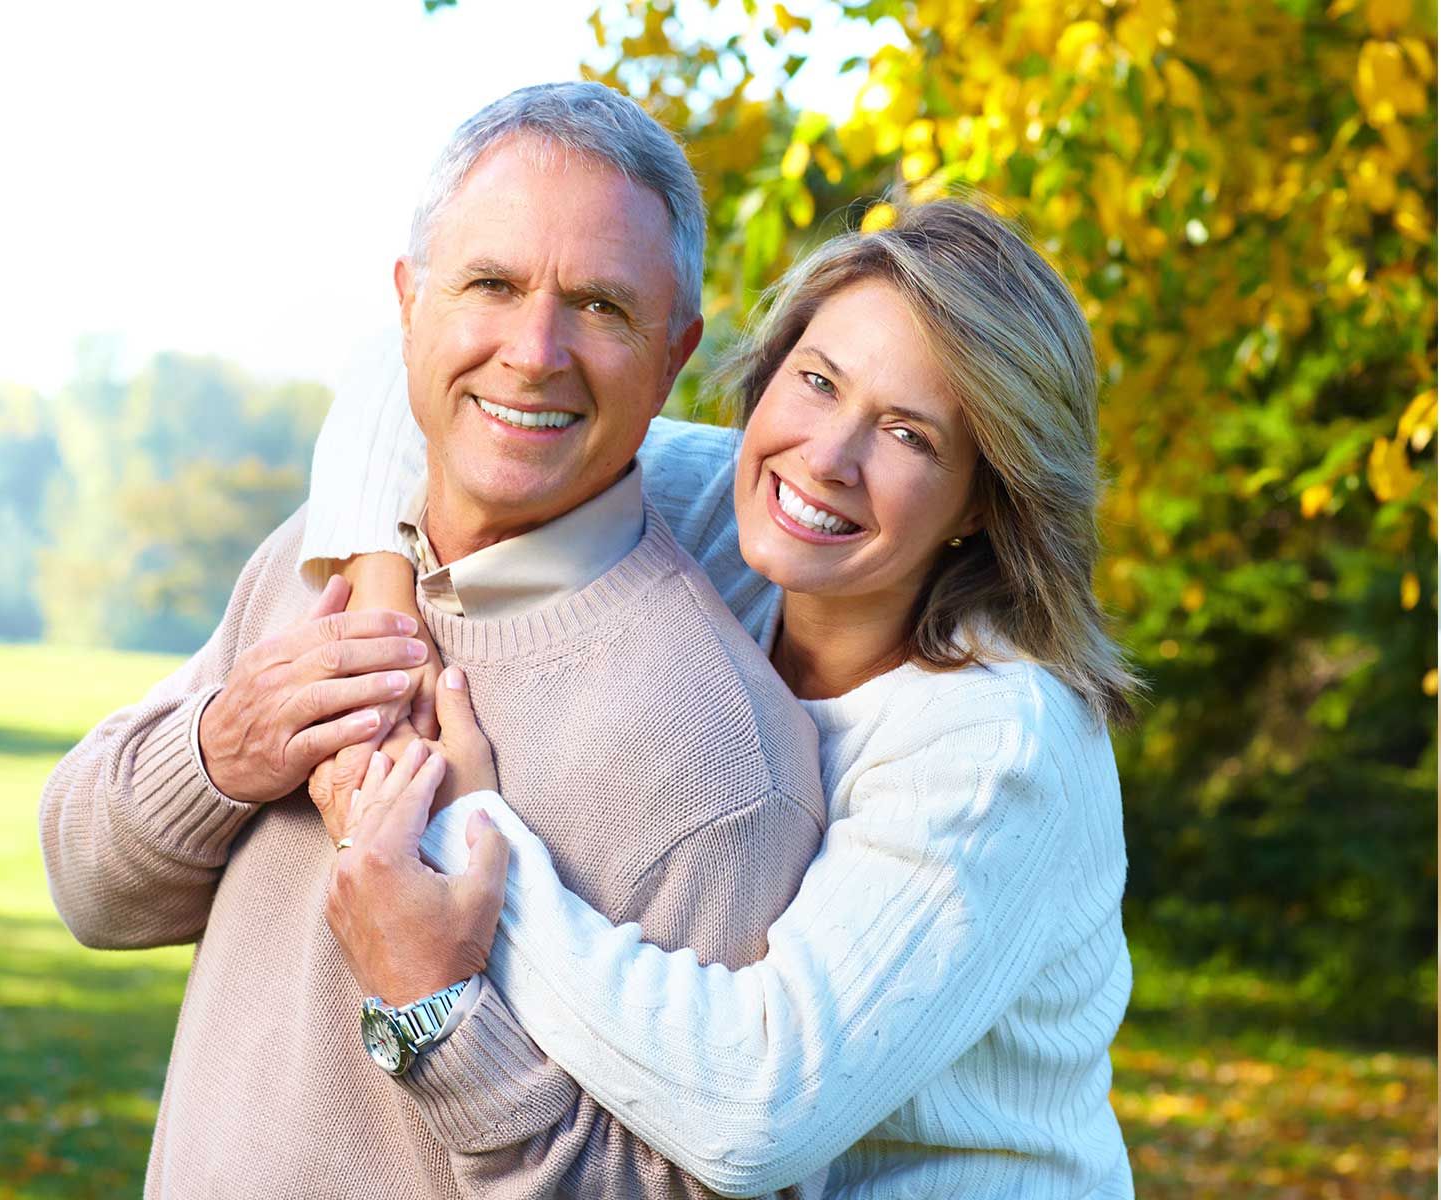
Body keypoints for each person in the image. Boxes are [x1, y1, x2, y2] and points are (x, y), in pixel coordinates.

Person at [38, 81, 828, 1198]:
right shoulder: (318, 557)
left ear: (675, 352)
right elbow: (90, 890)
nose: (534, 351)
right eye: (491, 286)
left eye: (601, 306)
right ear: (409, 303)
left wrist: (435, 1013)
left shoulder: (717, 758)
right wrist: (226, 749)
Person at [311, 198, 1139, 1198]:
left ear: (984, 497)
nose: (827, 458)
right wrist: (386, 629)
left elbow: (756, 1113)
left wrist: (472, 841)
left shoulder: (995, 741)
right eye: (818, 381)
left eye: (909, 435)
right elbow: (398, 376)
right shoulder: (720, 509)